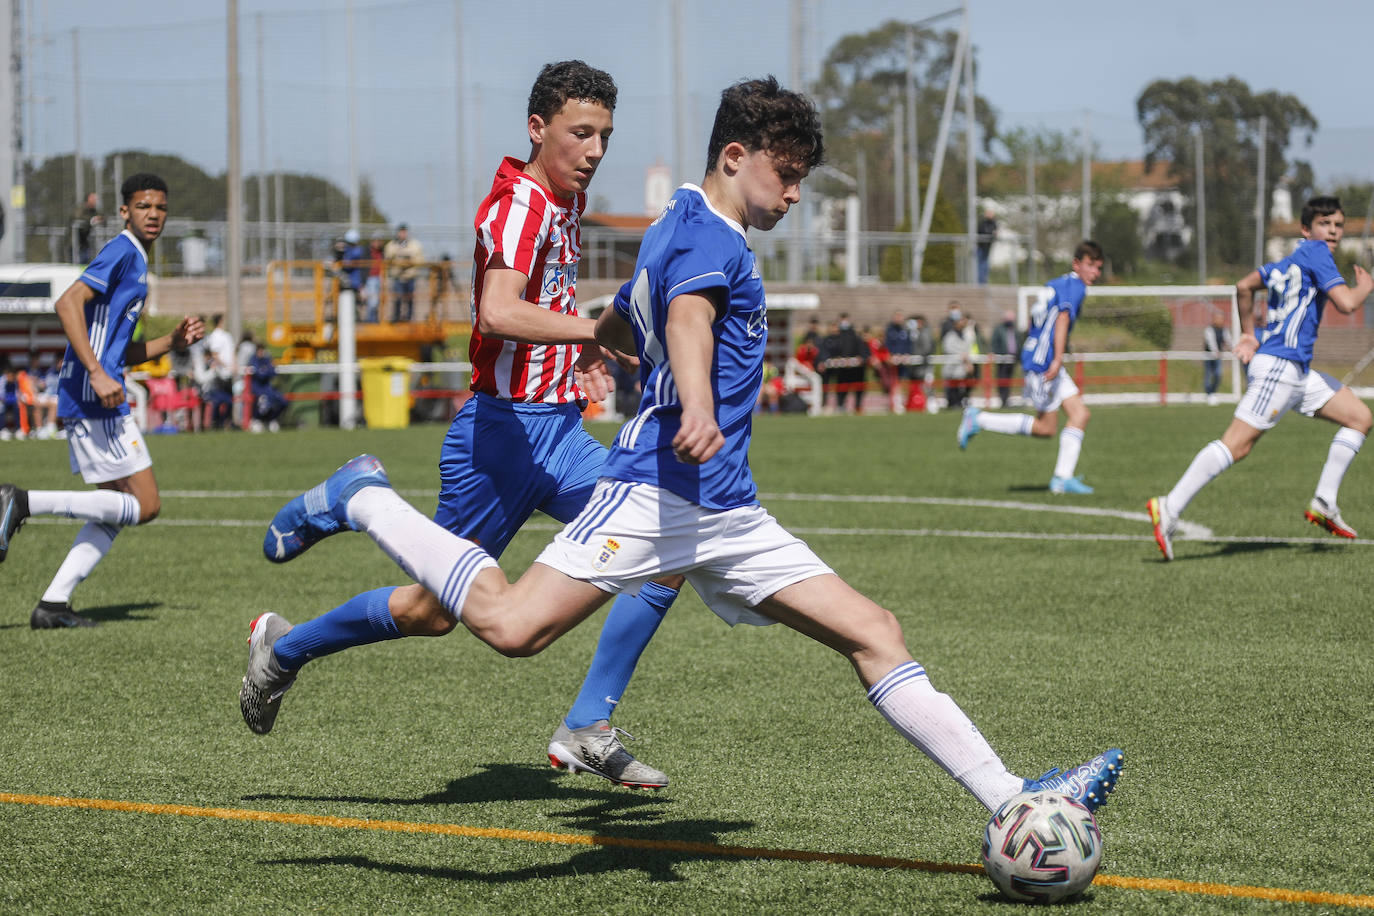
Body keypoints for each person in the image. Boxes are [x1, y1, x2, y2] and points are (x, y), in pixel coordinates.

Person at [242, 76, 1124, 817]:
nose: (795, 195)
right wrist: (692, 397)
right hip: (659, 487)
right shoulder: (707, 238)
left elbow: (640, 309)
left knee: (875, 632)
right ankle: (366, 501)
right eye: (788, 175)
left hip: (725, 508)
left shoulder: (675, 223)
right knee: (511, 628)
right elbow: (688, 317)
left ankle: (1016, 800)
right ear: (735, 158)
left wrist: (606, 341)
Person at [239, 60, 686, 790]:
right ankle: (287, 648)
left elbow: (535, 315)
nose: (596, 149)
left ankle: (588, 724)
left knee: (661, 540)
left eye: (605, 134)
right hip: (500, 441)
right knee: (430, 612)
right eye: (581, 132)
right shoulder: (518, 205)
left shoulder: (565, 197)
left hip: (558, 433)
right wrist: (591, 332)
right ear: (538, 128)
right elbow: (498, 312)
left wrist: (574, 363)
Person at [0, 172, 204, 627]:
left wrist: (170, 341)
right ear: (125, 212)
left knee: (116, 512)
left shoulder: (135, 262)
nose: (154, 214)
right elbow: (68, 302)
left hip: (93, 392)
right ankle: (21, 502)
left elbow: (122, 351)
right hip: (98, 397)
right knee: (146, 505)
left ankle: (53, 605)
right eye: (144, 206)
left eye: (161, 207)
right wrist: (96, 372)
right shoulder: (122, 252)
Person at [1148, 196, 1374, 560]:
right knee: (1237, 445)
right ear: (1306, 230)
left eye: (1338, 225)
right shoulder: (1316, 253)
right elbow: (1346, 303)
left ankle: (1324, 501)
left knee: (1360, 417)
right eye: (1325, 223)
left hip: (1294, 370)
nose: (1333, 230)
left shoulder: (1287, 262)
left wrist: (1249, 334)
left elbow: (1243, 286)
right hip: (1280, 368)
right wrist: (1366, 285)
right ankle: (1169, 507)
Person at [955, 240, 1105, 494]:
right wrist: (1057, 358)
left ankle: (1062, 479)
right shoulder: (1076, 287)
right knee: (1046, 428)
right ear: (1076, 264)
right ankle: (979, 419)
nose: (1095, 273)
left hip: (1039, 356)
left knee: (1080, 415)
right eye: (1090, 265)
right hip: (1044, 362)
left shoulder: (1056, 284)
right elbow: (1062, 318)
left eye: (1098, 268)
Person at [384, 224, 424, 322]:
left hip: (410, 277)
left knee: (410, 299)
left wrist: (410, 261)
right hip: (397, 277)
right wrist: (398, 253)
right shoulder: (391, 245)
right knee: (397, 299)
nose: (402, 234)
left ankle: (409, 319)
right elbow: (387, 259)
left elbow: (421, 260)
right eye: (400, 232)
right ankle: (396, 318)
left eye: (404, 232)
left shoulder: (415, 245)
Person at [941, 309, 975, 411]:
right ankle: (952, 404)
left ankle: (959, 403)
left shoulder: (966, 335)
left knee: (963, 386)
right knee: (952, 387)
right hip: (952, 366)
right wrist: (961, 356)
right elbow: (948, 349)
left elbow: (968, 349)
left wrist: (968, 362)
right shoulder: (950, 336)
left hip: (962, 367)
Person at [989, 310, 1020, 408]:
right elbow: (994, 342)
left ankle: (1006, 399)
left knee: (1009, 379)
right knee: (1002, 379)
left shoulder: (1015, 329)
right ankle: (1003, 399)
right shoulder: (999, 329)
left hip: (1013, 359)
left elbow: (1019, 342)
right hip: (1002, 359)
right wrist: (994, 353)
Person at [882, 311, 912, 414]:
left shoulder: (905, 330)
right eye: (897, 316)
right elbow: (887, 345)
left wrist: (907, 354)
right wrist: (890, 356)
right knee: (894, 383)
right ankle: (895, 403)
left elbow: (908, 344)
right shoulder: (889, 330)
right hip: (893, 362)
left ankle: (904, 402)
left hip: (903, 361)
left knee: (904, 381)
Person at [1202, 309, 1231, 406]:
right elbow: (1211, 342)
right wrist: (1215, 351)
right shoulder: (1209, 329)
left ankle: (1213, 392)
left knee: (1218, 374)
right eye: (1218, 318)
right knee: (1208, 375)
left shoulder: (1224, 330)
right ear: (1214, 319)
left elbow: (1229, 341)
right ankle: (1209, 394)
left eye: (1221, 319)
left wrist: (1234, 349)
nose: (1220, 320)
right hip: (1208, 356)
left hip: (1217, 357)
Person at [73, 191, 104, 264]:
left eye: (96, 199)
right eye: (93, 198)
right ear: (88, 199)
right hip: (76, 242)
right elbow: (77, 218)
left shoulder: (94, 211)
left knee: (86, 263)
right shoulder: (81, 209)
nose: (95, 201)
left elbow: (103, 217)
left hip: (86, 243)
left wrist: (99, 219)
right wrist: (91, 220)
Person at [976, 206, 997, 285]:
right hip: (981, 247)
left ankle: (984, 282)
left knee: (985, 266)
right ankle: (980, 283)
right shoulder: (983, 223)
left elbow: (994, 234)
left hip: (987, 248)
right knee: (980, 266)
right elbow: (981, 231)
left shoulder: (994, 223)